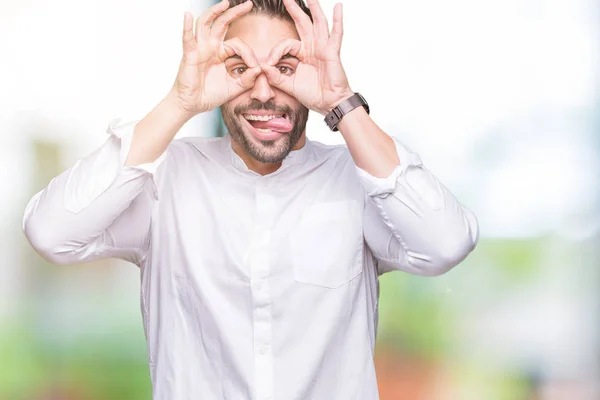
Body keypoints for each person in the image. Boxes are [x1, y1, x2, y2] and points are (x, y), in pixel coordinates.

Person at [22, 0, 479, 398]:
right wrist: (179, 103)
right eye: (240, 70)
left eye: (285, 69)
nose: (263, 92)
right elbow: (52, 231)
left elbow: (446, 242)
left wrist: (340, 101)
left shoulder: (354, 181)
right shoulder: (168, 179)